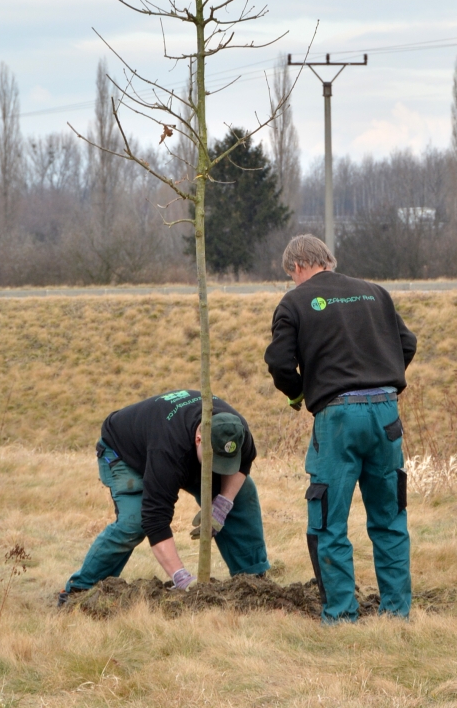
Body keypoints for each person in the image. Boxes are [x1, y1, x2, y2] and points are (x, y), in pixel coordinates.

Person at [264, 234, 417, 623]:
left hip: (338, 418)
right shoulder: (375, 293)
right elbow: (408, 344)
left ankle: (341, 615)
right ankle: (397, 614)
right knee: (390, 516)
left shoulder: (295, 301)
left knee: (329, 520)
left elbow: (280, 364)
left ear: (298, 266)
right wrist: (382, 377)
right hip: (387, 416)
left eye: (291, 275)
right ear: (327, 260)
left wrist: (299, 395)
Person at [59, 389, 269, 604]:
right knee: (134, 521)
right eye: (214, 460)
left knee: (241, 495)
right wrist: (181, 577)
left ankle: (254, 582)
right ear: (199, 439)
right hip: (124, 453)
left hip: (177, 446)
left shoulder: (235, 429)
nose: (219, 468)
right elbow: (154, 518)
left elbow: (244, 462)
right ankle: (79, 591)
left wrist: (223, 503)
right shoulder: (168, 451)